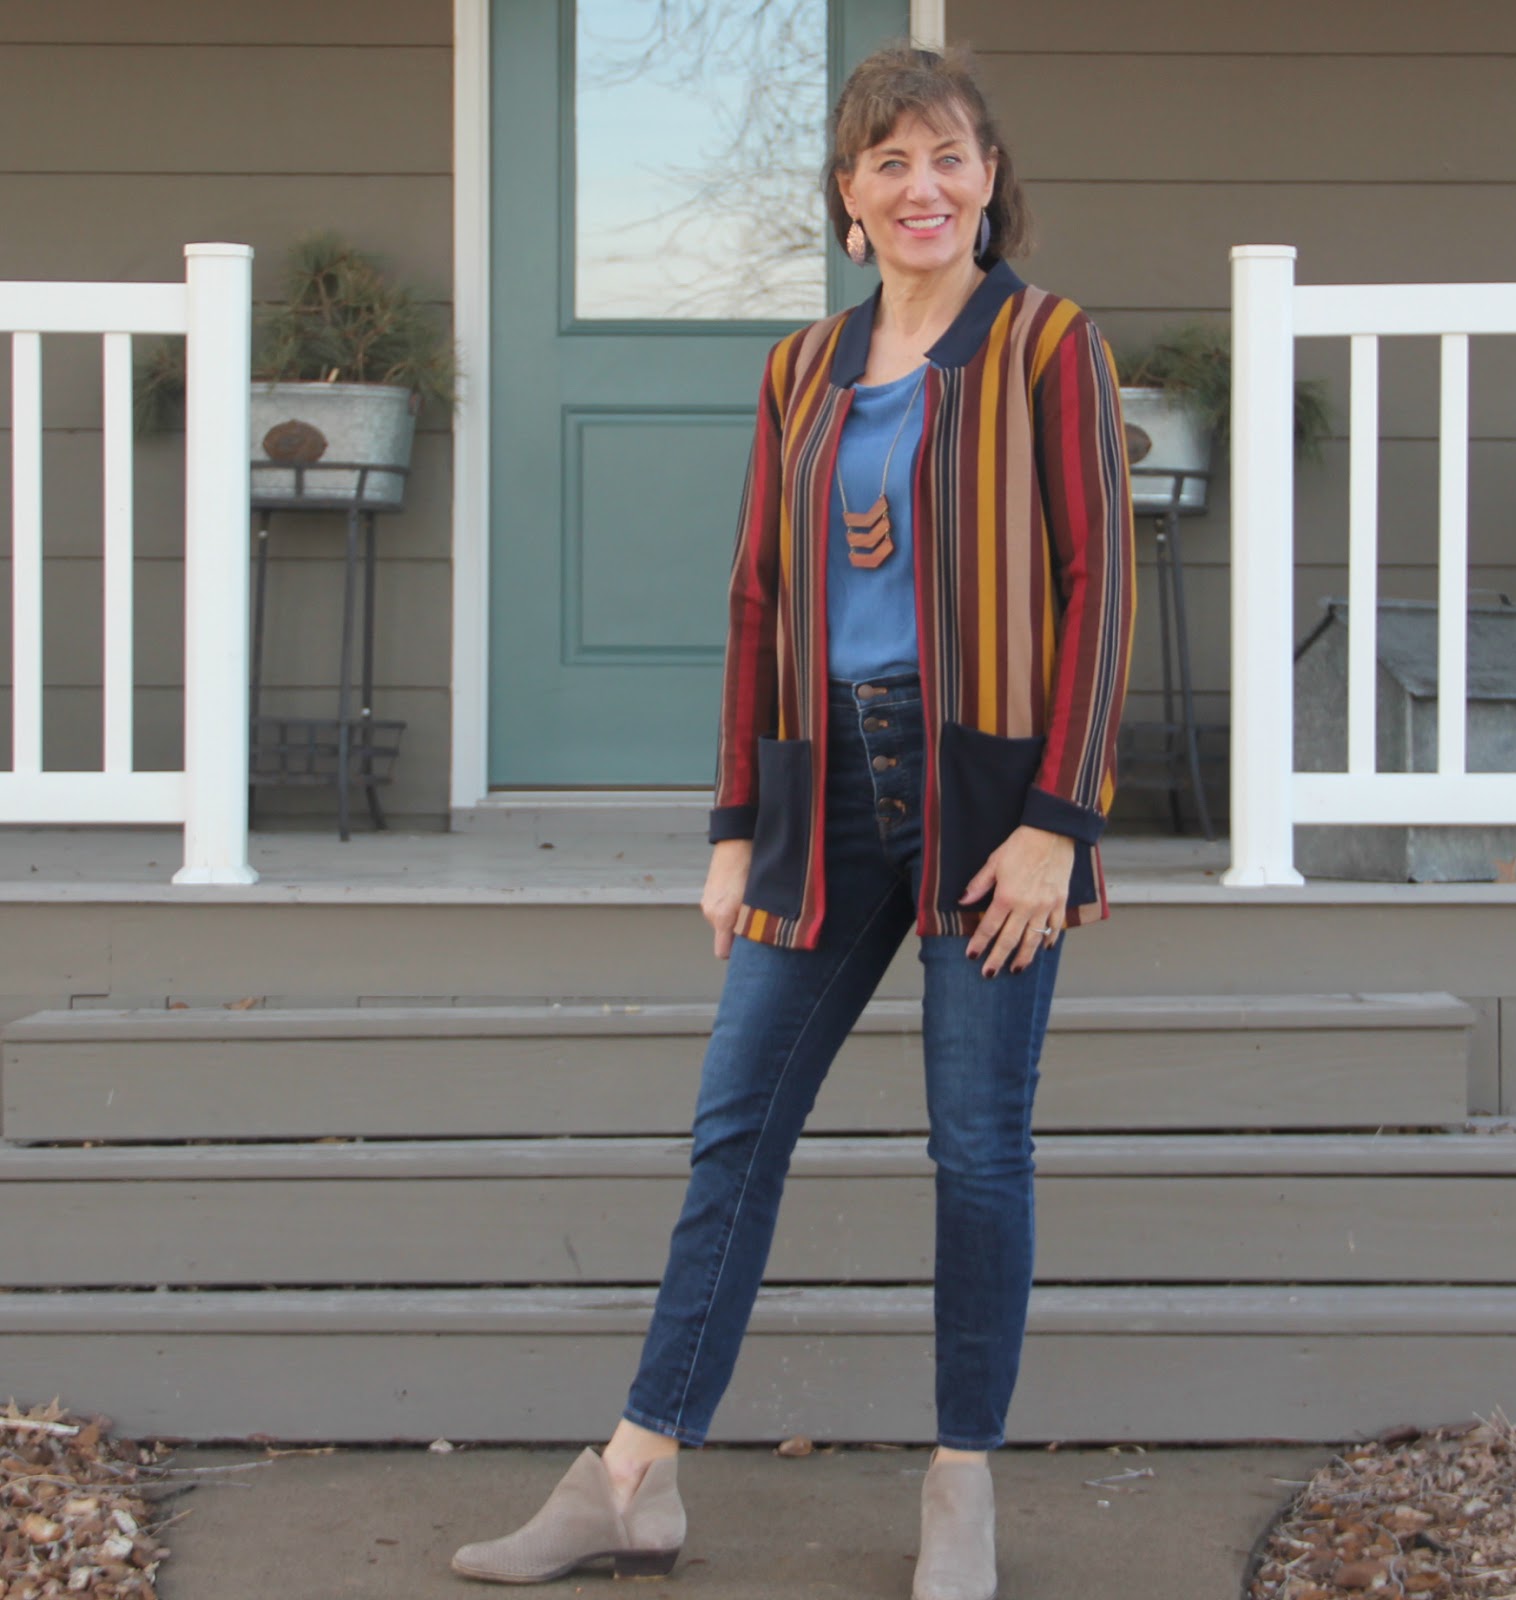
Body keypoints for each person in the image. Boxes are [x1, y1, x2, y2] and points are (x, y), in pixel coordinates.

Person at [451, 41, 1134, 1600]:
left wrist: (1059, 821)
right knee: (735, 1124)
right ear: (848, 199)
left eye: (949, 155)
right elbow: (759, 601)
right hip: (827, 795)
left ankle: (962, 1484)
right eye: (889, 161)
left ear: (989, 181)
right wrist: (729, 825)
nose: (922, 186)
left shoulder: (1048, 346)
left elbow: (1103, 589)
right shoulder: (801, 372)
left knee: (978, 1151)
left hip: (991, 803)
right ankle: (635, 1474)